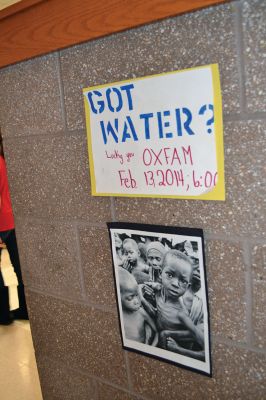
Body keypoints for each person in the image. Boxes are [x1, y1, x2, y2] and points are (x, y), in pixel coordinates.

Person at [141, 250, 205, 360]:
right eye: (170, 275)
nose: (175, 284)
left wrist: (178, 349)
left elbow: (205, 353)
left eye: (183, 281)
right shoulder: (158, 292)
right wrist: (143, 297)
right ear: (160, 273)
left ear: (188, 285)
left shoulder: (181, 313)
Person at [0, 130, 28, 324]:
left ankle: (3, 315)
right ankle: (24, 310)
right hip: (13, 221)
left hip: (2, 224)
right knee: (19, 268)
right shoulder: (5, 160)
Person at [119, 268, 158, 346]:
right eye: (130, 298)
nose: (137, 301)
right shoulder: (120, 316)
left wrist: (151, 348)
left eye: (137, 295)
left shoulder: (141, 312)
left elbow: (157, 332)